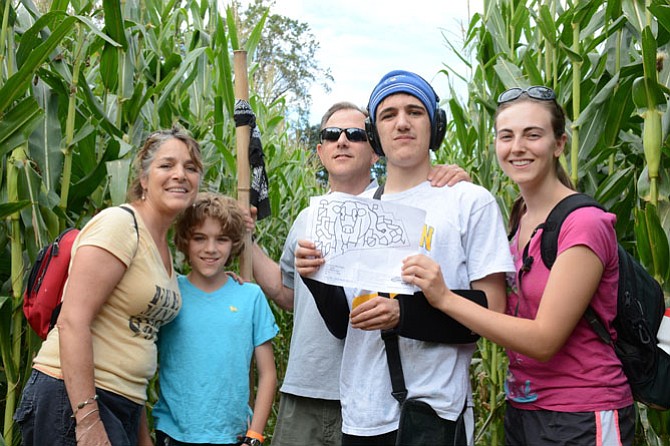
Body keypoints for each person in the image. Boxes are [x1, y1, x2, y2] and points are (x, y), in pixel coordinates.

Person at [400, 86, 635, 445]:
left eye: (533, 135)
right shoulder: (518, 219)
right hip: (523, 409)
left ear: (559, 144)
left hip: (582, 412)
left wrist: (444, 297)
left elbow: (543, 340)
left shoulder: (584, 224)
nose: (517, 147)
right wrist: (454, 192)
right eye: (506, 136)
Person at [295, 71, 513, 445]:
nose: (402, 123)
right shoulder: (351, 210)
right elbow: (344, 326)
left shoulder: (468, 201)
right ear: (376, 133)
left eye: (415, 112)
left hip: (434, 412)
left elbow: (494, 311)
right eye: (388, 114)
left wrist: (404, 314)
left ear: (435, 127)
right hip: (362, 413)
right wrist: (315, 279)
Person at [250, 101, 470, 446]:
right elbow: (287, 294)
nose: (342, 141)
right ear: (320, 151)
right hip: (304, 388)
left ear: (376, 152)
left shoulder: (400, 211)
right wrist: (243, 240)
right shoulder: (306, 218)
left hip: (374, 399)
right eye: (331, 135)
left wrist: (448, 180)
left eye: (355, 134)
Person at [14, 127, 204, 446]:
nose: (180, 175)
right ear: (144, 178)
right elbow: (73, 321)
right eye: (166, 165)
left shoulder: (162, 248)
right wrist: (87, 422)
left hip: (120, 405)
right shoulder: (120, 225)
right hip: (72, 399)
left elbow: (132, 342)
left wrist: (140, 433)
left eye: (191, 167)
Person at [153, 192, 278, 446]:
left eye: (221, 239)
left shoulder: (250, 296)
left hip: (231, 436)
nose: (210, 249)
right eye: (200, 238)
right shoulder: (169, 292)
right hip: (174, 434)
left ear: (233, 243)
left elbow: (268, 374)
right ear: (185, 241)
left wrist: (254, 435)